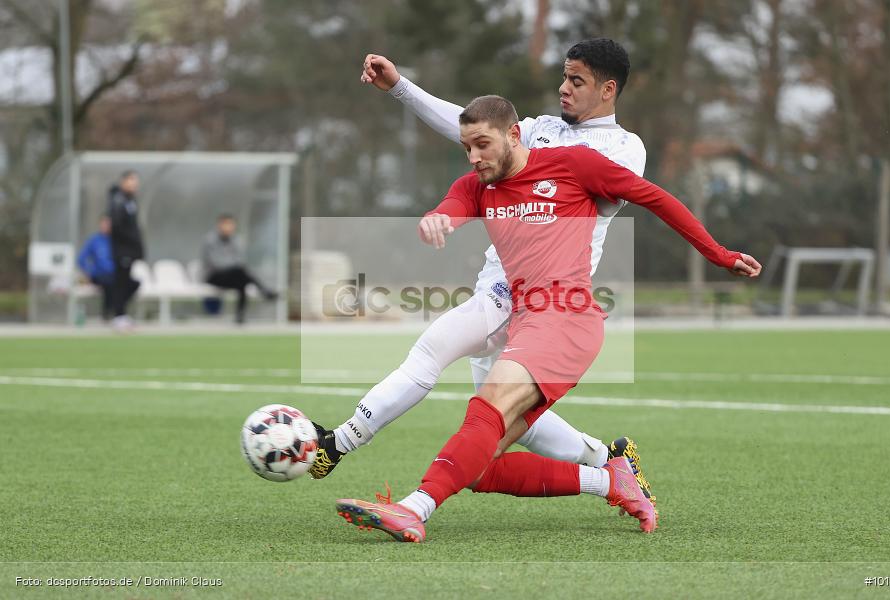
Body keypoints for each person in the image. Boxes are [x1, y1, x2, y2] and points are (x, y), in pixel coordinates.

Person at [335, 95, 761, 542]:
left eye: (482, 144)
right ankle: (610, 479)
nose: (474, 157)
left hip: (567, 318)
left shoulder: (574, 164)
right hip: (527, 321)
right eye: (467, 148)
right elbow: (449, 208)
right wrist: (436, 221)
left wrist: (720, 254)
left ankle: (412, 509)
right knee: (478, 468)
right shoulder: (475, 186)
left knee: (485, 413)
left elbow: (655, 198)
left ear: (514, 135)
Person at [312, 40, 652, 497]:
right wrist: (400, 88)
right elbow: (473, 127)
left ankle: (337, 444)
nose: (563, 88)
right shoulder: (543, 128)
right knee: (516, 422)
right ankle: (608, 463)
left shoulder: (625, 147)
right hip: (500, 284)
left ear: (608, 90)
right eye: (564, 77)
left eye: (577, 81)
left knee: (431, 353)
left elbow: (603, 197)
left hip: (536, 298)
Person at [201, 214, 278, 324]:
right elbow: (216, 263)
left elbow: (240, 259)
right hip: (213, 276)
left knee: (242, 282)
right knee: (241, 273)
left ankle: (240, 315)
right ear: (220, 225)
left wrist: (233, 265)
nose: (228, 227)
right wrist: (233, 265)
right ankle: (264, 290)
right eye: (225, 224)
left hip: (233, 275)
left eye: (230, 224)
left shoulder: (236, 240)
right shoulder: (210, 240)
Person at [108, 170, 144, 332]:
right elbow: (118, 227)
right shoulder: (118, 201)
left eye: (135, 181)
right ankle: (118, 316)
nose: (134, 184)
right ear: (123, 182)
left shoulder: (131, 201)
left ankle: (121, 314)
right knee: (121, 282)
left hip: (129, 250)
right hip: (122, 250)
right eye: (131, 181)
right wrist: (131, 242)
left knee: (127, 281)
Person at [77, 215, 116, 319]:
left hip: (114, 275)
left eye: (109, 223)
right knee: (109, 282)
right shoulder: (94, 241)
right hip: (97, 275)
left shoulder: (115, 240)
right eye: (104, 223)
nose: (106, 226)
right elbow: (81, 259)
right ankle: (108, 313)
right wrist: (88, 273)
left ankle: (118, 313)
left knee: (124, 282)